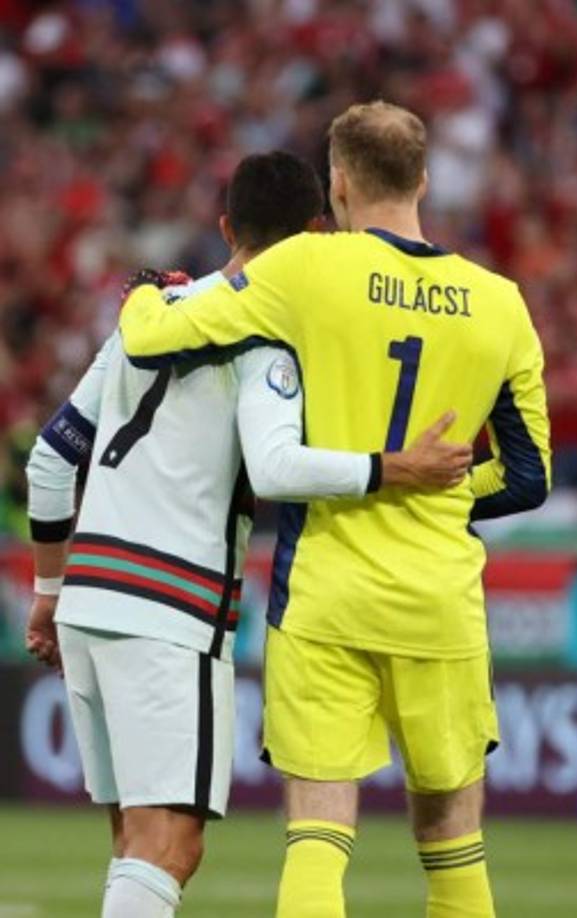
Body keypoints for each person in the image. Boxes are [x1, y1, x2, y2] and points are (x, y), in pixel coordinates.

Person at [120, 102, 552, 918]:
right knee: (455, 844)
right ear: (423, 180)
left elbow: (156, 339)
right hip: (440, 602)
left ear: (340, 183)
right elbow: (528, 478)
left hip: (325, 596)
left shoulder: (309, 269)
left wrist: (143, 296)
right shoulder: (502, 303)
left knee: (318, 835)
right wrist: (441, 494)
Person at [26, 149, 472, 918]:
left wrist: (48, 590)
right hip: (170, 605)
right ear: (316, 234)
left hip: (89, 600)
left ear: (226, 225)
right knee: (172, 844)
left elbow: (48, 460)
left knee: (137, 840)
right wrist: (391, 466)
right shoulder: (267, 336)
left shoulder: (151, 314)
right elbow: (272, 468)